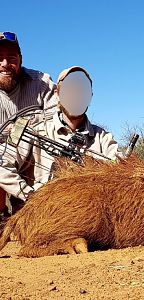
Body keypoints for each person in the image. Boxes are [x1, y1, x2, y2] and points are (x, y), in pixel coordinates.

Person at [0, 66, 122, 214]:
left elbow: (121, 168)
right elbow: (2, 164)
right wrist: (30, 196)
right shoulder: (32, 127)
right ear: (57, 94)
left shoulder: (103, 137)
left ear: (90, 96)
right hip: (38, 217)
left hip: (88, 216)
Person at [0, 31, 57, 124]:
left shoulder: (42, 83)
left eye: (12, 58)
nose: (5, 64)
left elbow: (59, 122)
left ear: (21, 60)